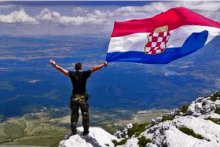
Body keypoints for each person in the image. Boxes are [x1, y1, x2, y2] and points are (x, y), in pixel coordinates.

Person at [50, 59, 107, 136]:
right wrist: (103, 64)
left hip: (74, 97)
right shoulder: (84, 74)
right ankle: (86, 131)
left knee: (74, 114)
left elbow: (62, 70)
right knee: (85, 114)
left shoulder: (72, 74)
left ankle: (73, 131)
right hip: (82, 97)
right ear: (81, 67)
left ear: (75, 68)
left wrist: (54, 65)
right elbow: (94, 69)